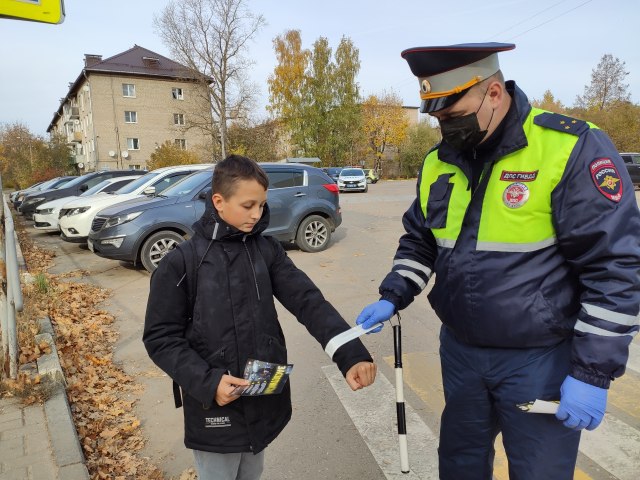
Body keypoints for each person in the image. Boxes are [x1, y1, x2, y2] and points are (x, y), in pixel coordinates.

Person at [357, 43, 640, 479]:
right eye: (437, 118)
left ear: (492, 93)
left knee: (538, 472)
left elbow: (615, 268)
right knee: (459, 466)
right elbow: (421, 241)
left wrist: (592, 371)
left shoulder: (568, 147)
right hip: (461, 354)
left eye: (452, 115)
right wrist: (394, 293)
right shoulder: (438, 163)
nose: (444, 127)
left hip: (539, 360)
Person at [143, 155, 377, 480]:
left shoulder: (267, 251)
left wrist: (350, 353)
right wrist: (208, 383)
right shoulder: (181, 263)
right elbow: (160, 338)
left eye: (262, 205)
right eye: (248, 205)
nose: (257, 214)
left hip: (262, 395)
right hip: (215, 408)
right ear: (219, 201)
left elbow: (308, 302)